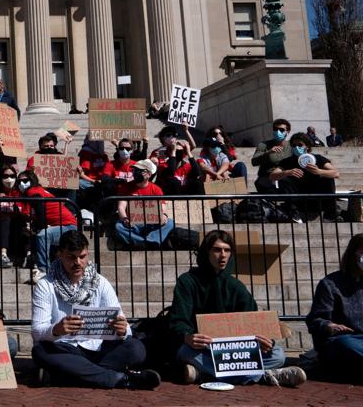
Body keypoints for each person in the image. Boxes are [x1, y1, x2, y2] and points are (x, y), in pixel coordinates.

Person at [170, 230, 306, 387]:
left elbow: (253, 321)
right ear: (206, 252)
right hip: (203, 348)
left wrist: (265, 341)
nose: (223, 255)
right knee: (185, 352)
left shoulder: (236, 286)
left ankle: (204, 374)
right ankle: (264, 376)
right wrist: (188, 337)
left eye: (227, 250)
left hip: (234, 351)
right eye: (217, 249)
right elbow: (178, 321)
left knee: (277, 354)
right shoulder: (187, 282)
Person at [31, 231, 158, 389]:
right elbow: (37, 331)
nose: (78, 262)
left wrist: (122, 329)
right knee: (40, 351)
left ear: (87, 253)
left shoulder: (100, 282)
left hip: (98, 350)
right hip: (66, 348)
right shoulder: (45, 285)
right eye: (71, 257)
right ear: (60, 255)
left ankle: (69, 375)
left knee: (136, 348)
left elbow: (123, 325)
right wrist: (56, 329)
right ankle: (120, 379)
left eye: (82, 256)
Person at [306, 234, 363, 381]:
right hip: (347, 339)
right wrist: (330, 326)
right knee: (344, 344)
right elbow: (315, 320)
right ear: (353, 254)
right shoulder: (330, 284)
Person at [268, 132, 340, 220]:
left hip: (317, 198)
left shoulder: (317, 158)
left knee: (328, 178)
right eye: (294, 145)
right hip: (298, 199)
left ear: (307, 146)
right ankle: (293, 213)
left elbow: (336, 173)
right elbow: (272, 176)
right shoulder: (287, 161)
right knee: (283, 179)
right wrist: (286, 172)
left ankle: (330, 214)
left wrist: (319, 171)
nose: (297, 148)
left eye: (300, 145)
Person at [23, 170, 79, 284]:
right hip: (63, 225)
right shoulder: (40, 190)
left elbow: (39, 206)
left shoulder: (32, 191)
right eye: (19, 181)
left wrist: (39, 226)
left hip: (67, 226)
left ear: (32, 180)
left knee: (42, 235)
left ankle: (43, 270)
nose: (21, 183)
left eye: (25, 180)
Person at [113, 159, 174, 249]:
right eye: (135, 170)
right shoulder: (125, 187)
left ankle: (150, 240)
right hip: (133, 224)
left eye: (140, 171)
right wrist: (124, 219)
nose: (136, 173)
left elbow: (162, 207)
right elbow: (121, 206)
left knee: (170, 222)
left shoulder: (156, 189)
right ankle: (145, 242)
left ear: (149, 174)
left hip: (152, 224)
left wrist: (164, 215)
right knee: (119, 226)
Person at [0, 165, 26, 268]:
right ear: (0, 177)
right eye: (5, 176)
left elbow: (25, 215)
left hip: (14, 231)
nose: (9, 179)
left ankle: (28, 255)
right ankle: (3, 255)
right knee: (5, 219)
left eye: (12, 176)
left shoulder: (19, 191)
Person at [251, 118, 292, 194]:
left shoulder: (292, 146)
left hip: (285, 177)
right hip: (267, 177)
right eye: (275, 129)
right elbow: (254, 161)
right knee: (262, 183)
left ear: (288, 131)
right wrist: (268, 153)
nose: (278, 132)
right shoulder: (263, 145)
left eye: (282, 130)